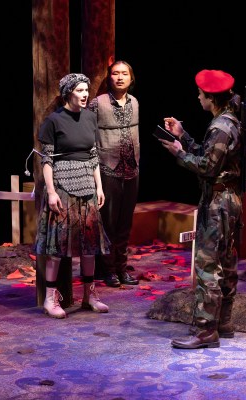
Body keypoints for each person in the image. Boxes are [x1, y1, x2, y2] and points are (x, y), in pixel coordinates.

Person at [157, 69, 243, 349]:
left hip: (219, 203)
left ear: (211, 97)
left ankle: (206, 330)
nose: (197, 97)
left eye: (200, 94)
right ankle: (224, 323)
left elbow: (206, 167)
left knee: (208, 266)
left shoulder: (221, 126)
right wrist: (184, 136)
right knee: (226, 263)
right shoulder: (224, 122)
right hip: (227, 200)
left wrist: (178, 153)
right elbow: (210, 156)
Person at [33, 73, 111, 319]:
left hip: (87, 185)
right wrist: (52, 191)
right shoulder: (54, 121)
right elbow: (46, 160)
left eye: (86, 89)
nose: (85, 94)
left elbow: (93, 155)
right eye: (79, 90)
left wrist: (99, 187)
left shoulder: (89, 117)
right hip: (63, 186)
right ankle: (50, 298)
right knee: (57, 246)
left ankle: (89, 295)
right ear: (68, 93)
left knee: (89, 246)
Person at [87, 60, 140, 288]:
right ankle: (108, 270)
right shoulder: (97, 104)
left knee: (125, 223)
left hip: (132, 168)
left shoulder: (135, 102)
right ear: (109, 78)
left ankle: (121, 267)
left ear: (131, 78)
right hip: (108, 168)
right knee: (108, 222)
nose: (120, 77)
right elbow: (88, 135)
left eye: (124, 74)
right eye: (116, 73)